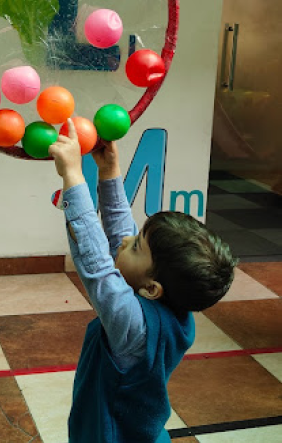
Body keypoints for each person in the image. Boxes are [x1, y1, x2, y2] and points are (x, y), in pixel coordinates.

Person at [49, 119, 237, 443]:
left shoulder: (134, 328)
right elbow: (122, 239)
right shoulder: (172, 305)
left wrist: (73, 178)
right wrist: (109, 172)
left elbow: (97, 266)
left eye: (136, 246)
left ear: (152, 288)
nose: (125, 240)